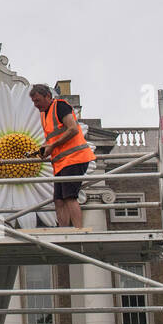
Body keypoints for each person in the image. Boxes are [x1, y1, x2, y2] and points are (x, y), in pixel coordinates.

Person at [29, 83, 95, 228]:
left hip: (75, 158)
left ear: (48, 96)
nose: (36, 105)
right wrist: (36, 154)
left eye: (38, 100)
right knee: (58, 200)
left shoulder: (60, 106)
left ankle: (78, 230)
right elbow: (50, 140)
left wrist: (52, 146)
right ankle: (63, 230)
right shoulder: (44, 114)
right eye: (34, 102)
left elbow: (72, 129)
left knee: (70, 197)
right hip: (61, 163)